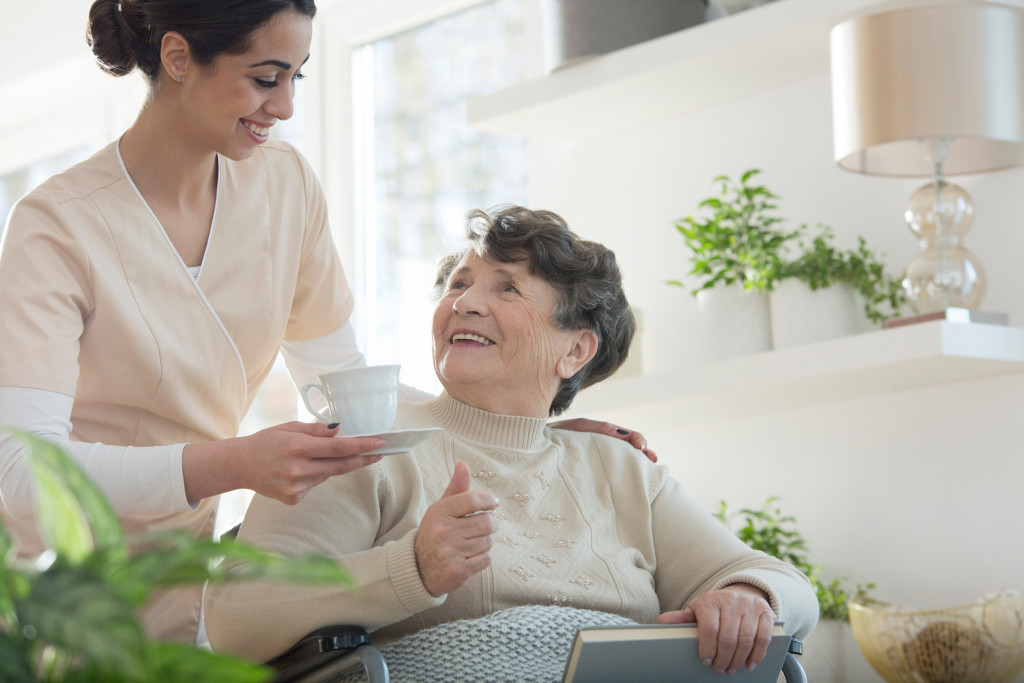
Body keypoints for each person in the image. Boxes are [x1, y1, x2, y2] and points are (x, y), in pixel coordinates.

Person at [0, 1, 652, 644]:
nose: (284, 107)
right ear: (177, 57)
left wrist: (524, 429)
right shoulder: (58, 226)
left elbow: (351, 395)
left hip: (180, 572)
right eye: (264, 77)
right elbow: (21, 471)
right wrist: (232, 463)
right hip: (46, 590)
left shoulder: (284, 186)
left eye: (297, 77)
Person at [204, 206, 819, 677]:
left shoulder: (621, 469)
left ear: (575, 350)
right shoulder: (367, 442)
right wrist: (411, 568)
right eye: (458, 285)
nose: (466, 302)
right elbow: (236, 617)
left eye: (507, 288)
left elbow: (784, 586)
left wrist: (747, 596)